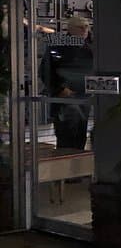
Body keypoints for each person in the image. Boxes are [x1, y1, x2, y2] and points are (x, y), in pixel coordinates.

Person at [38, 16, 93, 150]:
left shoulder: (90, 47)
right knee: (66, 136)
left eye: (87, 26)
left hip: (84, 97)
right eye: (81, 27)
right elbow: (45, 71)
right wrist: (60, 89)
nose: (85, 30)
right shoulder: (59, 45)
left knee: (80, 136)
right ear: (71, 29)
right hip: (64, 98)